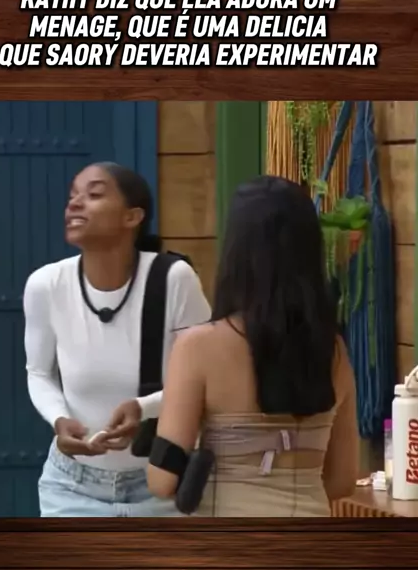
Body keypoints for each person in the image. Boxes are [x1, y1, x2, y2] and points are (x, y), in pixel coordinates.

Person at [147, 175, 360, 516]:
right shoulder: (332, 350)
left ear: (236, 252)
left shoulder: (198, 347)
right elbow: (342, 480)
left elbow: (162, 480)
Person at [23, 161, 211, 517]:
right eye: (73, 195)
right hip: (71, 488)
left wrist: (144, 408)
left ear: (132, 216)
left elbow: (206, 380)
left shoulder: (174, 279)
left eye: (94, 194)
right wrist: (59, 419)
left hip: (163, 485)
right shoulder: (46, 285)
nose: (75, 203)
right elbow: (39, 372)